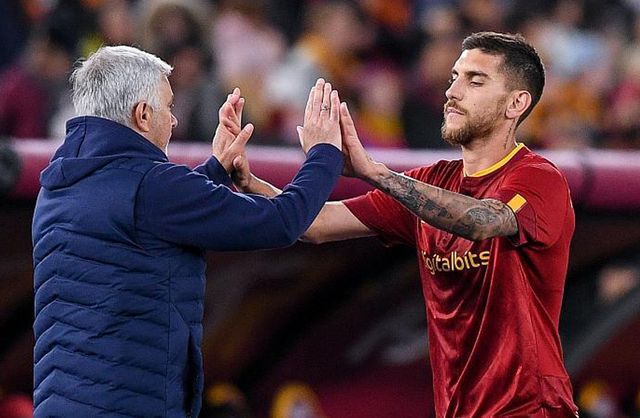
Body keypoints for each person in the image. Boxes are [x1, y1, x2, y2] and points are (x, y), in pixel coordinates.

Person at [233, 32, 579, 417]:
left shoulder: (539, 178)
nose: (453, 91)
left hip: (530, 409)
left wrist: (375, 173)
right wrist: (248, 183)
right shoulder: (430, 183)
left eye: (475, 80)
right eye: (454, 77)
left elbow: (483, 220)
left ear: (517, 103)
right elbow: (314, 224)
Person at [31, 45, 344, 418]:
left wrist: (212, 173)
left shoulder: (57, 185)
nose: (175, 121)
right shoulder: (154, 187)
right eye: (168, 106)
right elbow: (282, 222)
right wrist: (325, 154)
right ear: (142, 115)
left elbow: (135, 216)